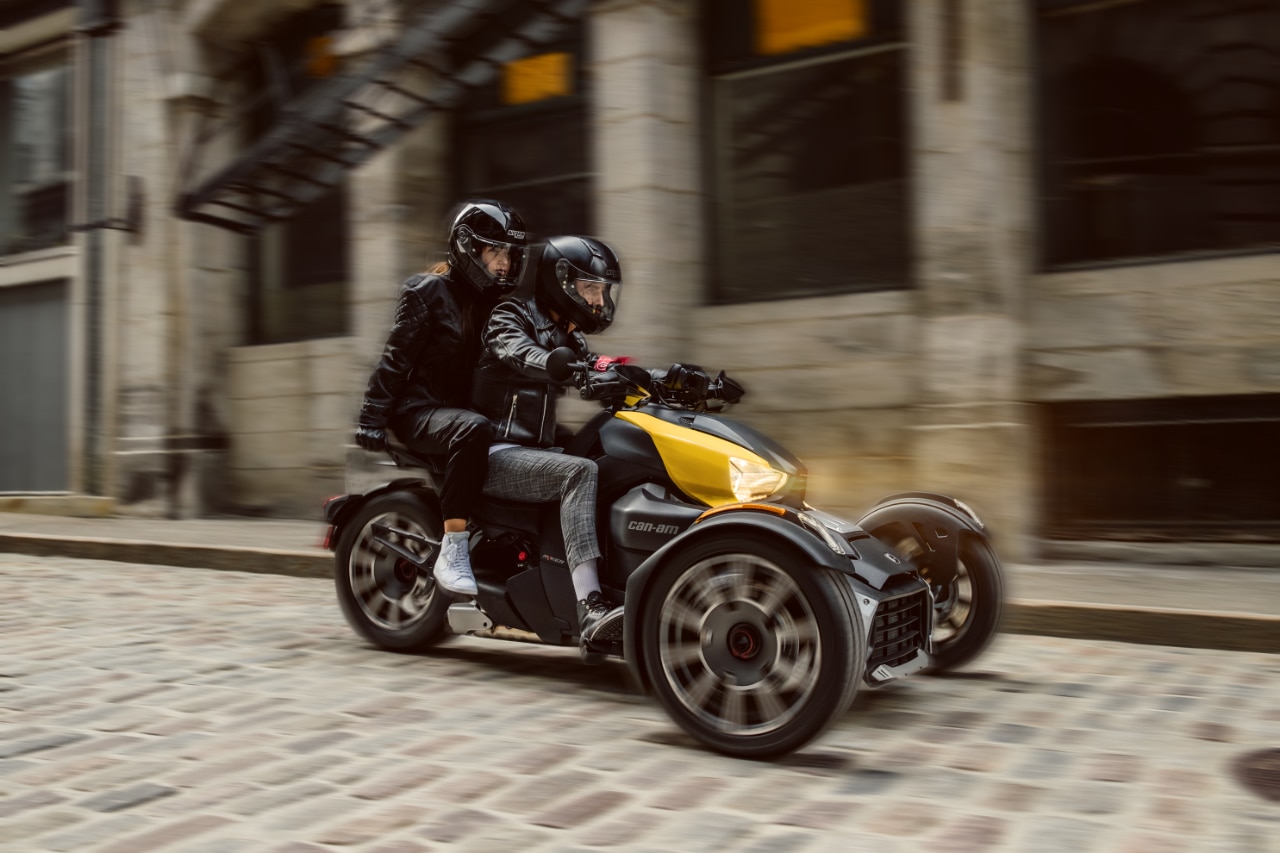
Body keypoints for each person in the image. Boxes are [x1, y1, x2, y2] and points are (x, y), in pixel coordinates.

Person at [354, 200, 528, 596]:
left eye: (510, 254)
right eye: (495, 252)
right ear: (469, 248)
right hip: (420, 411)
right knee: (473, 430)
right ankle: (453, 550)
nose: (504, 263)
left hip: (463, 412)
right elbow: (394, 360)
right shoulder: (427, 291)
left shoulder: (498, 305)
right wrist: (371, 417)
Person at [471, 235, 624, 655]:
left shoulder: (569, 337)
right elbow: (521, 354)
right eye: (590, 289)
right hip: (494, 453)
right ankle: (590, 606)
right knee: (580, 471)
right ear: (562, 284)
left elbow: (598, 367)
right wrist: (561, 366)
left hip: (533, 455)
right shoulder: (510, 317)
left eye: (602, 291)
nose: (598, 300)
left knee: (612, 462)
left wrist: (664, 378)